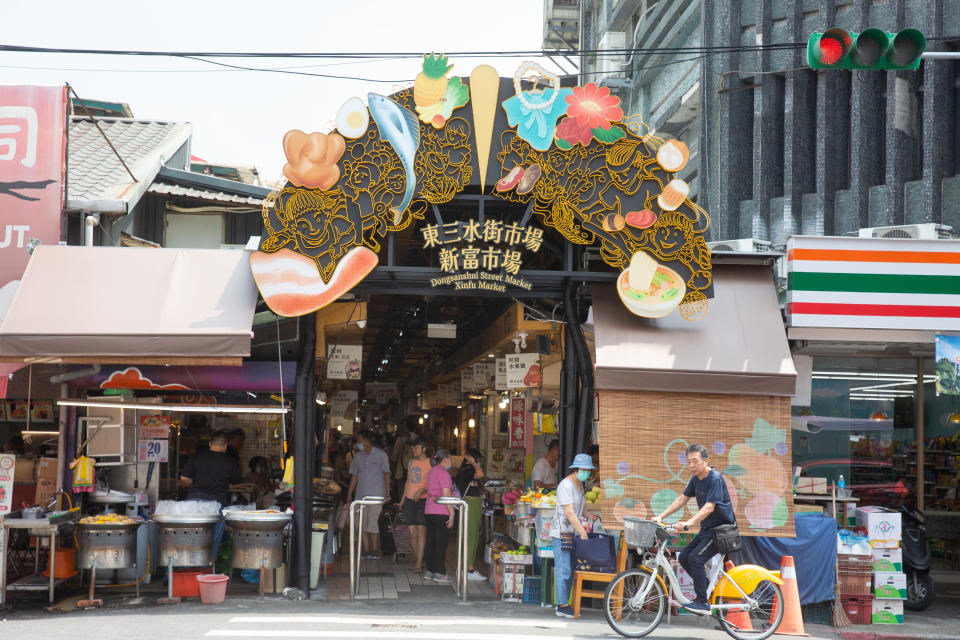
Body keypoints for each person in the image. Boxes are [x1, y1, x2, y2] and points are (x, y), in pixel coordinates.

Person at [653, 443, 736, 615]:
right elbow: (682, 499)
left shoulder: (714, 478)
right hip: (707, 530)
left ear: (706, 461)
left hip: (721, 531)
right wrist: (661, 516)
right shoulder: (695, 479)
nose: (691, 465)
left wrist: (688, 523)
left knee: (696, 559)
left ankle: (702, 602)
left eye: (695, 461)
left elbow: (709, 507)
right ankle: (706, 589)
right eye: (688, 462)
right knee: (684, 557)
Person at [179, 430, 247, 555]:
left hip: (194, 502)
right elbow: (237, 483)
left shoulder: (197, 457)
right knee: (212, 539)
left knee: (191, 537)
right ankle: (207, 568)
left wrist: (195, 482)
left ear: (210, 444)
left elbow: (184, 479)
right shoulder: (230, 461)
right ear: (226, 446)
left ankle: (188, 566)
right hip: (217, 504)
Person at [551, 453, 595, 618]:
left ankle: (564, 603)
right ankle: (561, 605)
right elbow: (569, 511)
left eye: (589, 470)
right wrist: (583, 532)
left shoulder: (579, 484)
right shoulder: (566, 485)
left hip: (572, 533)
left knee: (569, 569)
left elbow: (578, 506)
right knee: (564, 569)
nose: (587, 473)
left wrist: (588, 515)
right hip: (562, 533)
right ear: (576, 469)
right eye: (584, 469)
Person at [346, 429, 391, 560]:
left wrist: (388, 493)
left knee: (373, 524)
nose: (358, 444)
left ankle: (375, 550)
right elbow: (354, 477)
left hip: (376, 496)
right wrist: (349, 494)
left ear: (367, 441)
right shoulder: (357, 457)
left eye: (359, 441)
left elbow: (387, 474)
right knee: (361, 525)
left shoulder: (381, 455)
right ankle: (366, 550)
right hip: (360, 497)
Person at [453, 447, 486, 581]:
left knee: (465, 535)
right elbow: (481, 474)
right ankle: (469, 569)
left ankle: (461, 567)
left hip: (470, 505)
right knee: (470, 536)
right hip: (470, 505)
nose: (479, 464)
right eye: (478, 461)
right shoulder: (467, 471)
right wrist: (473, 463)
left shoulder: (464, 472)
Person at [424, 448, 455, 584]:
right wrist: (452, 512)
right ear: (444, 460)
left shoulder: (432, 471)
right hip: (441, 511)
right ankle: (440, 573)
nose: (451, 462)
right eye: (450, 459)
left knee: (431, 542)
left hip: (429, 510)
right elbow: (446, 494)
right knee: (440, 543)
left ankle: (429, 571)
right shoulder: (443, 473)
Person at [402, 437, 431, 573]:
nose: (414, 450)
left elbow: (434, 484)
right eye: (413, 448)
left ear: (424, 449)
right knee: (412, 532)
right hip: (409, 499)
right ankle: (419, 559)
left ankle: (419, 562)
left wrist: (423, 490)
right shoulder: (411, 462)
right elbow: (408, 481)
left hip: (424, 500)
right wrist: (402, 500)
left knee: (421, 531)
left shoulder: (431, 463)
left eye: (417, 447)